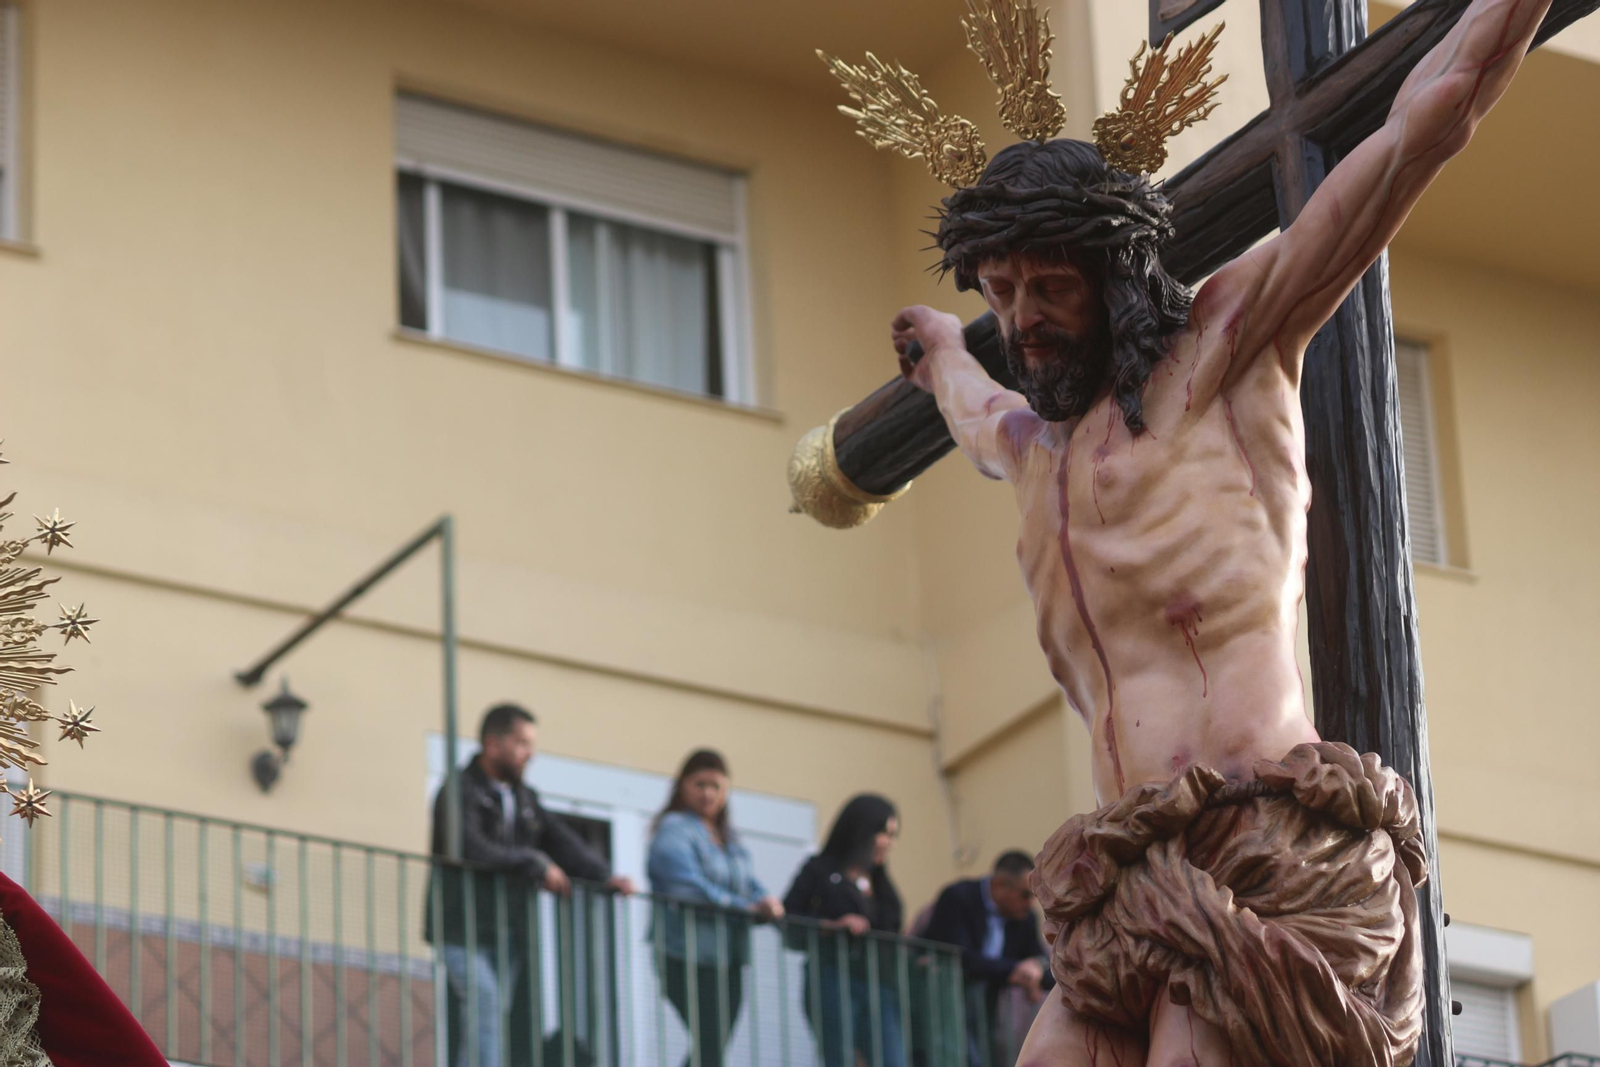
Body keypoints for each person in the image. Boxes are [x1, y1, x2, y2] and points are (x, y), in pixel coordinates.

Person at [847, 0, 1557, 1062]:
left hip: (1265, 844)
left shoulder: (1227, 352)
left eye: (1052, 287)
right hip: (1123, 871)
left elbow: (1426, 121)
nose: (1026, 315)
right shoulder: (1031, 447)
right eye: (1005, 291)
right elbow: (967, 404)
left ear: (1114, 276)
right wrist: (946, 343)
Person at [424, 703, 636, 1067]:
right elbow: (470, 847)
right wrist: (534, 862)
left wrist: (604, 875)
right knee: (485, 1002)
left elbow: (561, 840)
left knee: (487, 1012)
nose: (530, 754)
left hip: (506, 928)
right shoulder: (459, 790)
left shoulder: (524, 799)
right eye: (522, 743)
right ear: (493, 744)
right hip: (461, 924)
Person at [646, 749, 784, 1067]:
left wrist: (767, 903)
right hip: (686, 954)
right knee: (710, 1042)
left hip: (729, 958)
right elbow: (686, 888)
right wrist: (746, 909)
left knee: (713, 1046)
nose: (708, 793)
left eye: (717, 786)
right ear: (682, 785)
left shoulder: (729, 837)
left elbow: (749, 883)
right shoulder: (675, 829)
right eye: (700, 784)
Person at [783, 794, 904, 1067]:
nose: (890, 843)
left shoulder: (883, 884)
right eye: (884, 833)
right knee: (841, 1058)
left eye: (893, 835)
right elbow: (789, 916)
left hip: (878, 985)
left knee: (892, 1060)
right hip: (831, 976)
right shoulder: (819, 869)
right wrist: (831, 926)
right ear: (862, 830)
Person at [921, 851, 1050, 1067]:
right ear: (1000, 886)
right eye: (1026, 895)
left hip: (984, 1009)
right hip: (941, 1002)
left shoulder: (1024, 918)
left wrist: (1037, 968)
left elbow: (1038, 958)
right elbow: (960, 957)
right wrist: (1017, 969)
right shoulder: (958, 898)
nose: (1031, 904)